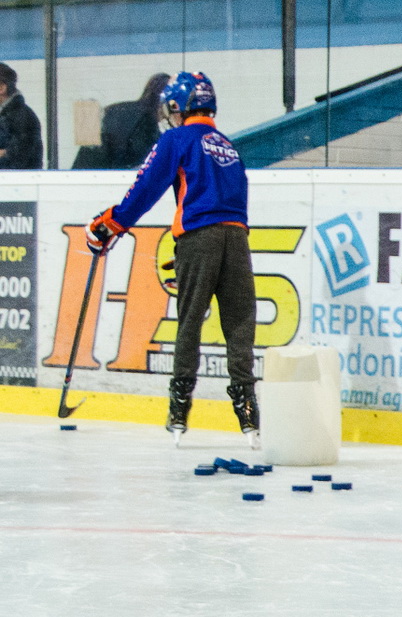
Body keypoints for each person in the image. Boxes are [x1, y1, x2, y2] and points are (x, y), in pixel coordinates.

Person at [84, 72, 258, 449]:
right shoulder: (227, 144)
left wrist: (111, 223)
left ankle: (179, 410)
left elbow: (145, 188)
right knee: (240, 323)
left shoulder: (176, 139)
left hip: (200, 236)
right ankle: (248, 412)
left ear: (179, 106)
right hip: (237, 239)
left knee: (190, 319)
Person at [0, 62, 43, 169]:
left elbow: (18, 158)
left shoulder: (22, 116)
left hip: (19, 183)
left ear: (1, 88)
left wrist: (5, 153)